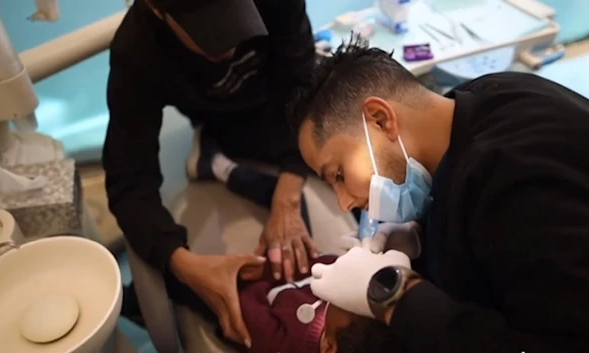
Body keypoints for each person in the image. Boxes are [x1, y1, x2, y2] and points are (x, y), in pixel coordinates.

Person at [289, 35, 589, 352]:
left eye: (339, 174)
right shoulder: (480, 96)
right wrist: (423, 236)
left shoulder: (519, 186)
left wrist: (395, 294)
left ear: (380, 119)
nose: (344, 202)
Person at [103, 0, 320, 346]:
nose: (230, 46)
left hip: (287, 104)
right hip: (224, 124)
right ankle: (213, 150)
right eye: (209, 31)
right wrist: (185, 266)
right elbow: (129, 182)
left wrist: (288, 197)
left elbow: (303, 86)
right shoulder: (137, 51)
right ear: (157, 10)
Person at [168, 252, 410, 353]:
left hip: (244, 291)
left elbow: (243, 308)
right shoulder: (343, 296)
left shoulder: (284, 340)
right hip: (284, 278)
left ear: (328, 346)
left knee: (186, 285)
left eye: (345, 300)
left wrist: (257, 268)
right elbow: (323, 261)